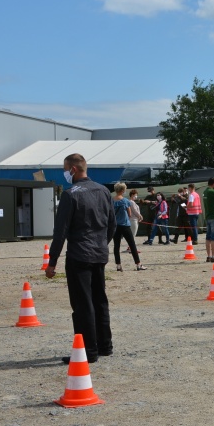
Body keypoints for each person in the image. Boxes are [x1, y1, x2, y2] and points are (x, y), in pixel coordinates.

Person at [45, 154, 116, 364]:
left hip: (79, 255)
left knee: (83, 304)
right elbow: (112, 225)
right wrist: (103, 244)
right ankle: (105, 346)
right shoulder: (104, 190)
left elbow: (60, 233)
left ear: (73, 170)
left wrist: (52, 262)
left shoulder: (70, 195)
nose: (64, 173)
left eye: (65, 169)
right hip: (99, 253)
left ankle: (88, 351)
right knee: (100, 300)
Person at [112, 183, 146, 271]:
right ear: (123, 190)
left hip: (115, 226)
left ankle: (118, 265)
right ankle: (138, 264)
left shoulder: (111, 200)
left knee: (116, 246)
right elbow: (130, 214)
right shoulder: (125, 201)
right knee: (132, 245)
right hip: (125, 225)